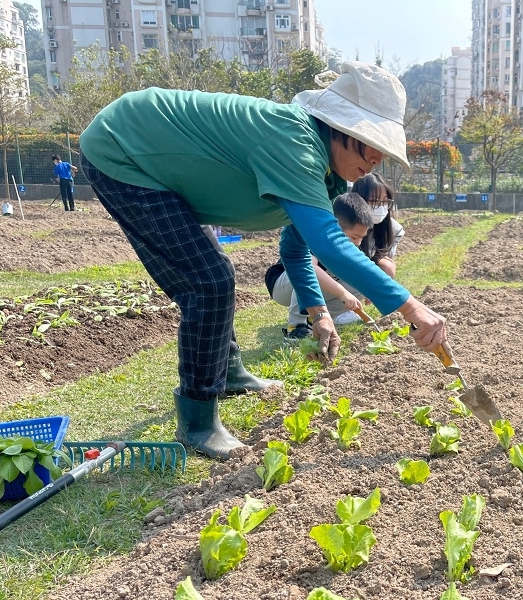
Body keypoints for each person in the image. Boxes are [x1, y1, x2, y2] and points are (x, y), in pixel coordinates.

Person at [78, 61, 447, 459]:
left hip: (153, 161)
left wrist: (319, 313)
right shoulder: (295, 141)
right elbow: (327, 243)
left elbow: (295, 249)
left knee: (217, 274)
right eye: (371, 142)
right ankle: (198, 422)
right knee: (208, 281)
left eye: (383, 150)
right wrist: (411, 308)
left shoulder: (325, 173)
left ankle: (229, 372)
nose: (376, 159)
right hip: (124, 149)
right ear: (341, 127)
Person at [266, 192, 373, 336]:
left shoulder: (350, 247)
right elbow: (309, 268)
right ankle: (297, 327)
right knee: (307, 274)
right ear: (336, 226)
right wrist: (343, 294)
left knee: (362, 283)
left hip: (307, 282)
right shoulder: (317, 236)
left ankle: (317, 317)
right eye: (354, 237)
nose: (358, 243)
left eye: (361, 238)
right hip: (282, 284)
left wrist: (373, 290)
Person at [352, 172, 404, 278]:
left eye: (384, 201)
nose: (380, 207)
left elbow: (385, 259)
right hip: (344, 273)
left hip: (369, 271)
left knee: (387, 266)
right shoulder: (346, 225)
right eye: (373, 201)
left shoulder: (393, 229)